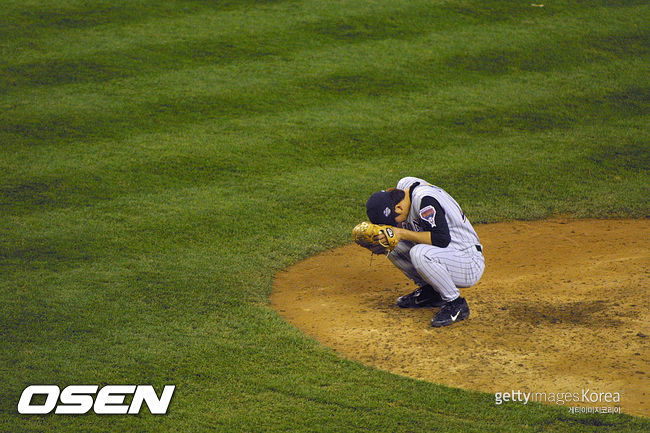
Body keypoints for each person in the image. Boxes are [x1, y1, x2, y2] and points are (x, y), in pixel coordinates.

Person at [365, 176, 485, 327]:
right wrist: (381, 243)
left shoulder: (425, 200)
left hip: (468, 261)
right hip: (446, 254)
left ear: (399, 208)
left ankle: (456, 304)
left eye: (395, 221)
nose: (397, 224)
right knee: (391, 244)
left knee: (419, 253)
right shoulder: (404, 188)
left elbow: (441, 239)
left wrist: (401, 233)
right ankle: (432, 292)